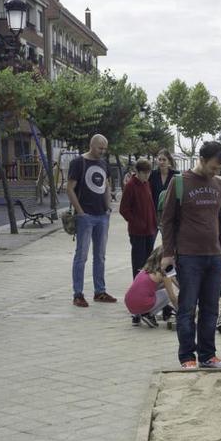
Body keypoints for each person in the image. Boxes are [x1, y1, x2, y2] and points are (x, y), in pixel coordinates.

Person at [160, 141, 221, 369]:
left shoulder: (218, 184)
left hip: (214, 256)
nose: (215, 172)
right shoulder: (179, 183)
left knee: (211, 308)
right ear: (201, 159)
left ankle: (208, 355)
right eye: (213, 167)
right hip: (189, 256)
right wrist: (168, 253)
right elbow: (167, 220)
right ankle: (187, 357)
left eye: (219, 168)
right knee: (187, 307)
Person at [67, 134, 117, 307]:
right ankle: (78, 294)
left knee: (100, 256)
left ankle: (100, 291)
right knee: (81, 256)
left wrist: (108, 207)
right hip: (85, 216)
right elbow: (70, 188)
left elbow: (106, 185)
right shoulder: (78, 162)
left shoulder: (103, 163)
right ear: (91, 145)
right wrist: (80, 212)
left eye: (104, 148)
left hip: (102, 215)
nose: (102, 151)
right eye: (99, 148)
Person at [119, 158, 156, 278]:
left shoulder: (147, 184)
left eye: (149, 172)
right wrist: (137, 223)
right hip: (137, 232)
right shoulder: (130, 186)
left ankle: (146, 286)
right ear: (138, 172)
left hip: (150, 230)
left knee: (149, 262)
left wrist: (154, 222)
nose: (147, 175)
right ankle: (137, 286)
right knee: (138, 262)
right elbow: (123, 209)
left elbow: (150, 205)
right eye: (144, 173)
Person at [124, 247, 178, 327]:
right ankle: (148, 314)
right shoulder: (163, 274)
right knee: (167, 293)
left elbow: (173, 280)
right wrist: (182, 312)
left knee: (158, 288)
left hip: (129, 303)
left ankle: (136, 316)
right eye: (173, 259)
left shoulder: (145, 270)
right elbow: (172, 297)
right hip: (143, 304)